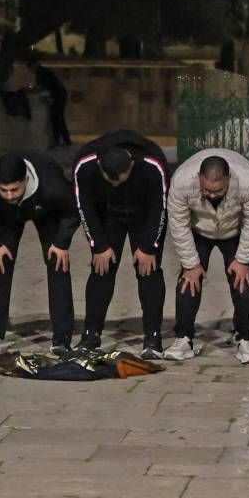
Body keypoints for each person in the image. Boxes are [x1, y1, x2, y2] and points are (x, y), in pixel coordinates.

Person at [0, 150, 79, 352]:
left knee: (58, 263)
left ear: (25, 180)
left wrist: (61, 242)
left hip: (46, 210)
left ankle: (62, 337)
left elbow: (73, 211)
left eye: (14, 189)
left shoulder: (53, 184)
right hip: (6, 216)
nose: (9, 195)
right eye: (4, 190)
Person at [162, 148, 249, 363]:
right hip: (198, 230)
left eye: (218, 191)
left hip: (234, 230)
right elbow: (178, 223)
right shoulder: (181, 181)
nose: (211, 195)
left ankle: (245, 338)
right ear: (198, 178)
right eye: (206, 190)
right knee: (188, 282)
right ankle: (183, 338)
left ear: (229, 179)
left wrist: (242, 260)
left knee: (243, 283)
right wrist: (191, 264)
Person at [71, 130, 169, 357]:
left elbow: (160, 207)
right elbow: (84, 206)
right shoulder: (85, 163)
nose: (116, 184)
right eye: (111, 181)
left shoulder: (152, 163)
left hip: (144, 214)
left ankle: (153, 337)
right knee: (101, 269)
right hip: (108, 214)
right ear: (99, 165)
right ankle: (91, 334)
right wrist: (98, 245)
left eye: (121, 180)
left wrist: (149, 247)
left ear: (131, 165)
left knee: (149, 271)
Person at [28, 59, 72, 149]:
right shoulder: (43, 71)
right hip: (60, 95)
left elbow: (43, 86)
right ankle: (65, 140)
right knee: (59, 118)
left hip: (57, 96)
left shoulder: (40, 72)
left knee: (56, 118)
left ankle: (57, 141)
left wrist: (32, 89)